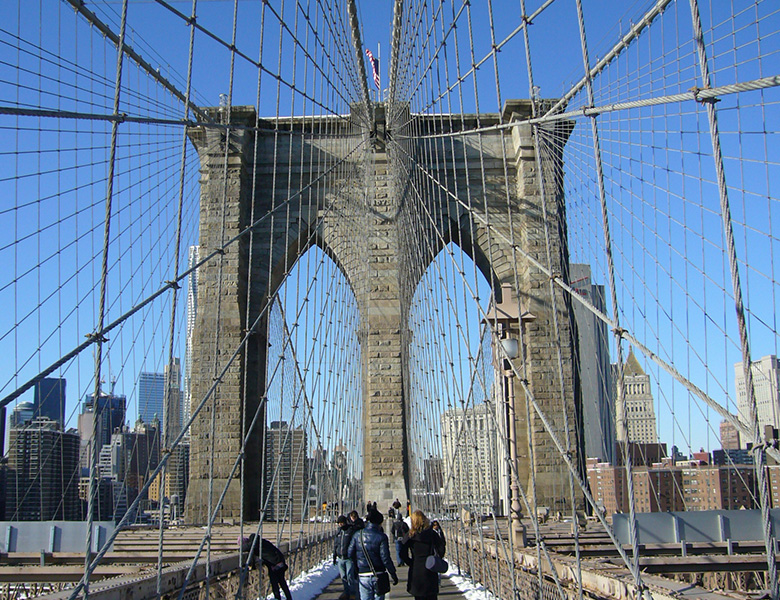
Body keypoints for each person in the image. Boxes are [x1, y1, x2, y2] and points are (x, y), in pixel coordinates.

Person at [347, 509, 398, 600]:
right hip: (379, 574)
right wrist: (393, 573)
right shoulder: (381, 536)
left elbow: (350, 553)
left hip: (363, 575)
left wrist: (357, 567)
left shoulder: (358, 535)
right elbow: (385, 558)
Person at [402, 510, 446, 600]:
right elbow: (441, 548)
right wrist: (436, 558)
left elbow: (402, 552)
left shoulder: (410, 536)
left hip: (416, 569)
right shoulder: (431, 534)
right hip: (430, 568)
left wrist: (410, 562)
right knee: (432, 596)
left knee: (419, 597)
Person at [243, 535, 293, 600]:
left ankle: (278, 598)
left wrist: (241, 548)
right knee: (282, 581)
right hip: (279, 560)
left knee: (275, 583)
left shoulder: (255, 543)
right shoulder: (262, 542)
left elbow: (247, 548)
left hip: (274, 563)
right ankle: (289, 598)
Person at [334, 515, 358, 600]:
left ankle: (352, 593)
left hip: (348, 558)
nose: (340, 525)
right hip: (340, 558)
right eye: (339, 523)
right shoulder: (339, 532)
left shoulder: (350, 531)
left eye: (341, 523)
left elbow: (354, 544)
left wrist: (353, 555)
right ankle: (346, 592)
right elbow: (336, 544)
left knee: (350, 576)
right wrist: (334, 555)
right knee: (343, 576)